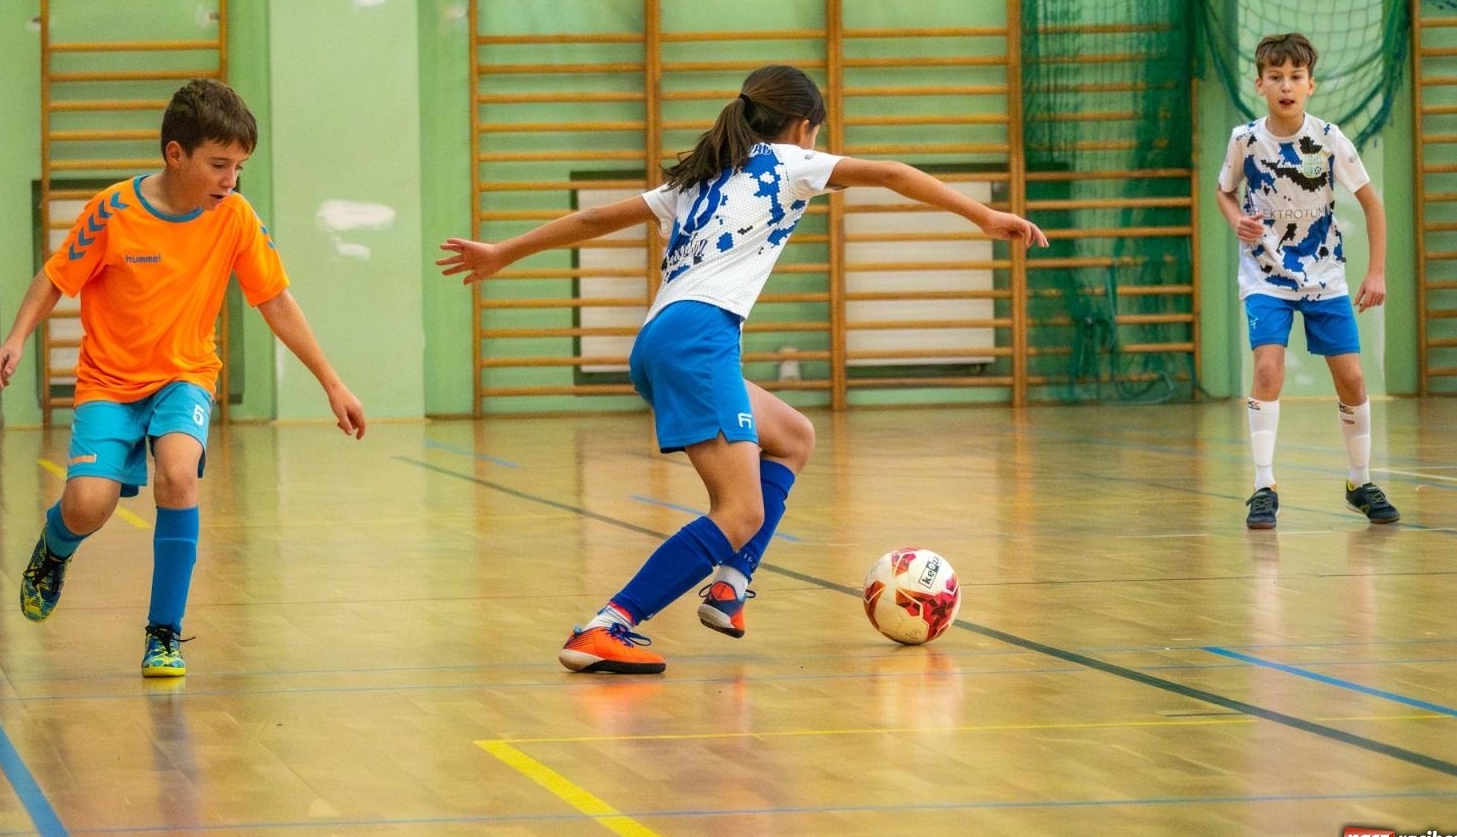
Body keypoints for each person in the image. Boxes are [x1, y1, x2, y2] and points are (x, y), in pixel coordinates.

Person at [439, 64, 1048, 673]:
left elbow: (592, 219)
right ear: (803, 126)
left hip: (660, 338)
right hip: (698, 338)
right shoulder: (789, 163)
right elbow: (890, 173)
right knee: (740, 511)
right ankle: (607, 626)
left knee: (794, 437)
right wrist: (983, 216)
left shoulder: (698, 177)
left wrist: (503, 252)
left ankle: (729, 585)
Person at [0, 79, 366, 677]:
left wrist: (332, 383)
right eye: (219, 165)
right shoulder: (114, 211)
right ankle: (55, 548)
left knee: (178, 474)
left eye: (239, 167)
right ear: (175, 154)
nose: (230, 180)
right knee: (88, 505)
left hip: (185, 374)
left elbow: (275, 300)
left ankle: (163, 633)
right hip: (109, 382)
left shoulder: (235, 219)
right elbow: (56, 278)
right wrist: (16, 338)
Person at [1215, 33, 1399, 531]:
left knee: (1353, 379)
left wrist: (1376, 271)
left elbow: (1372, 204)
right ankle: (1264, 486)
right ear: (1260, 84)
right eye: (1275, 77)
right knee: (1267, 369)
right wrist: (1236, 220)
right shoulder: (1245, 139)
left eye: (1295, 77)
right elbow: (1223, 191)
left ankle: (1360, 482)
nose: (1286, 86)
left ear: (1310, 85)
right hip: (1265, 276)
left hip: (1325, 276)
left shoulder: (1329, 139)